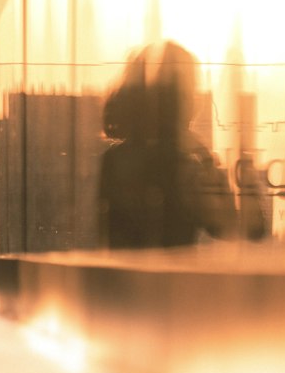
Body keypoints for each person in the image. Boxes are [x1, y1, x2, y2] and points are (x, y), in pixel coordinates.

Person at [98, 41, 239, 249]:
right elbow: (232, 227)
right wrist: (206, 158)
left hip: (123, 279)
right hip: (169, 279)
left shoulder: (114, 159)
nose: (196, 100)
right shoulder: (185, 166)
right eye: (190, 90)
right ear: (178, 99)